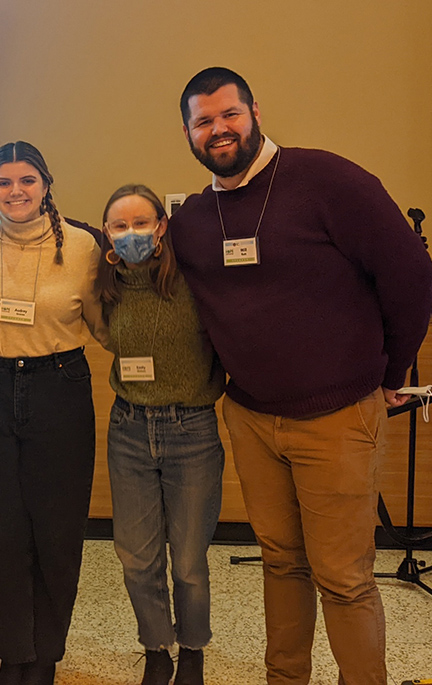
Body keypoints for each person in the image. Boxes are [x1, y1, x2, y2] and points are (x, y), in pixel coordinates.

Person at [171, 67, 432, 684]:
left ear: (255, 111)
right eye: (203, 121)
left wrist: (389, 371)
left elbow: (412, 277)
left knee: (342, 577)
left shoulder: (328, 180)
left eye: (229, 114)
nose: (219, 129)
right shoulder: (193, 222)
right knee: (281, 563)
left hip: (337, 417)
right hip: (253, 418)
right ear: (187, 132)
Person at [0, 141, 107, 685]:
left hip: (58, 387)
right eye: (4, 182)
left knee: (56, 528)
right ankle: (12, 653)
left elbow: (104, 324)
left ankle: (45, 654)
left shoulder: (83, 245)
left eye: (27, 180)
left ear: (47, 184)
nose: (16, 191)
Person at [93, 185, 224, 685]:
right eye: (120, 226)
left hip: (191, 429)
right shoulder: (107, 285)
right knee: (136, 558)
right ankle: (156, 648)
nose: (132, 234)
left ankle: (192, 649)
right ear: (106, 233)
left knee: (188, 561)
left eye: (141, 223)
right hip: (129, 430)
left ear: (162, 226)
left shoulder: (194, 280)